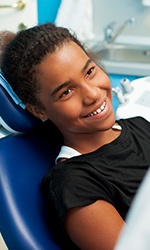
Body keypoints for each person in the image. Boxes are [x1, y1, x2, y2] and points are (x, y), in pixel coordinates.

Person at [0, 23, 150, 250]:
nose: (92, 94)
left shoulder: (140, 126)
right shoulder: (75, 184)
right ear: (39, 110)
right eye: (66, 91)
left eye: (90, 72)